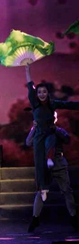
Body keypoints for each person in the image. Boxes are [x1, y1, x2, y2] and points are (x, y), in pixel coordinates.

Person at [24, 63, 79, 202]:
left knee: (51, 140)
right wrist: (27, 70)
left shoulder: (52, 103)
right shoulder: (35, 104)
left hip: (49, 132)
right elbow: (30, 86)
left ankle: (49, 158)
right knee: (39, 162)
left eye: (44, 92)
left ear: (47, 93)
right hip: (38, 135)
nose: (42, 94)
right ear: (37, 95)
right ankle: (42, 188)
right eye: (39, 92)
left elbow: (68, 104)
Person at [26, 119, 78, 232]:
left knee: (67, 191)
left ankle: (73, 216)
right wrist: (34, 128)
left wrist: (55, 129)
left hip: (59, 164)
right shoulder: (38, 130)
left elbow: (67, 139)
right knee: (41, 191)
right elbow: (28, 142)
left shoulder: (57, 130)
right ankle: (35, 218)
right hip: (44, 166)